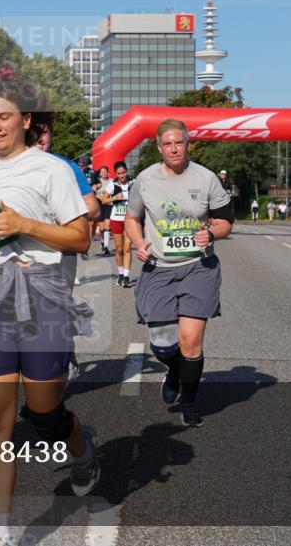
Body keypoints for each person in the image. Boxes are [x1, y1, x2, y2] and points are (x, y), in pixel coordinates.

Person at [0, 68, 100, 546]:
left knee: (44, 413)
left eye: (4, 117)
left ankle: (79, 445)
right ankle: (2, 533)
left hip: (42, 288)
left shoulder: (52, 169)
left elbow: (80, 237)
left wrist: (25, 223)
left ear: (25, 119)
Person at [124, 119, 233, 428]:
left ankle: (189, 402)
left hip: (198, 267)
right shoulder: (144, 180)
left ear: (188, 144)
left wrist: (211, 233)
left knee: (190, 341)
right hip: (158, 268)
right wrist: (138, 242)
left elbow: (226, 221)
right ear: (159, 148)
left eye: (179, 143)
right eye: (167, 144)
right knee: (162, 345)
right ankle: (173, 370)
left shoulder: (206, 178)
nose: (174, 148)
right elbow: (132, 218)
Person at [34, 122, 100, 275]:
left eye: (43, 132)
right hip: (22, 251)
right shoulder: (11, 165)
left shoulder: (66, 165)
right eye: (33, 132)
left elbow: (93, 209)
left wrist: (58, 218)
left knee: (57, 299)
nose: (38, 138)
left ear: (51, 134)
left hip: (60, 249)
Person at [100, 161, 134, 287]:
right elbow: (103, 200)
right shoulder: (112, 185)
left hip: (130, 220)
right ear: (116, 174)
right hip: (116, 219)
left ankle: (126, 276)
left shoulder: (133, 183)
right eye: (119, 173)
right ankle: (120, 273)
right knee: (119, 249)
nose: (121, 176)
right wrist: (115, 198)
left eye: (123, 173)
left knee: (127, 248)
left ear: (127, 171)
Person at [94, 166, 113, 254]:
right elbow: (92, 192)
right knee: (102, 227)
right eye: (102, 172)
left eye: (105, 171)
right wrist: (99, 197)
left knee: (107, 226)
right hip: (99, 205)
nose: (103, 173)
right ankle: (102, 241)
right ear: (100, 173)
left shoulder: (112, 181)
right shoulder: (97, 182)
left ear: (108, 172)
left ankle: (105, 246)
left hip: (109, 204)